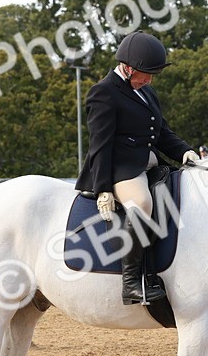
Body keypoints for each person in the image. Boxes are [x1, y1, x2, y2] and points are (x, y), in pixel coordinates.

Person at [74, 31, 199, 305]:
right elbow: (100, 144)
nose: (150, 79)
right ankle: (132, 283)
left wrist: (185, 151)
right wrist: (103, 188)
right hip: (121, 169)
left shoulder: (146, 91)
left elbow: (162, 132)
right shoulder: (103, 92)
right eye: (145, 74)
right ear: (128, 68)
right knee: (142, 202)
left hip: (149, 162)